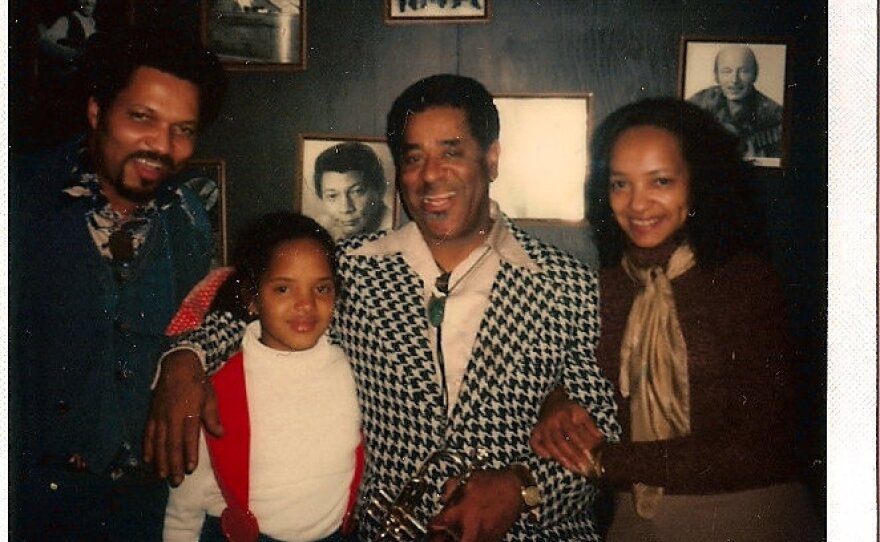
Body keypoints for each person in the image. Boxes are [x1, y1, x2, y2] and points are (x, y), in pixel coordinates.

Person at [146, 74, 620, 541]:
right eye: (414, 157)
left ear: (491, 159)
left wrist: (524, 491)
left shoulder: (567, 283)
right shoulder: (350, 267)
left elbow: (602, 437)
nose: (431, 174)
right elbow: (249, 311)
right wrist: (187, 357)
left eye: (451, 152)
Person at [529, 97, 819, 540]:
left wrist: (609, 461)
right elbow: (578, 378)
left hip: (746, 516)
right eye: (620, 184)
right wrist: (556, 404)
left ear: (697, 184)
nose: (638, 204)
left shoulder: (743, 281)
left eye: (660, 181)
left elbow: (761, 444)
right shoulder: (606, 284)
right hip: (635, 522)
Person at [12, 27, 227, 541]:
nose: (161, 146)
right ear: (96, 112)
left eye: (183, 129)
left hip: (142, 513)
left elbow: (208, 312)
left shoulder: (188, 217)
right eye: (141, 118)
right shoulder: (19, 198)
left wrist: (186, 356)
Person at [163, 212, 362, 542]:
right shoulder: (219, 381)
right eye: (283, 289)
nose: (306, 305)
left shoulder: (351, 365)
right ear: (251, 299)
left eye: (321, 288)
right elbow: (184, 507)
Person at [688, 45, 783, 160]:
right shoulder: (697, 104)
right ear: (716, 75)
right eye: (726, 71)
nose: (734, 80)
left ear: (755, 74)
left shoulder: (775, 115)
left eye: (744, 71)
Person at [313, 141, 390, 240]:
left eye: (356, 192)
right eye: (332, 196)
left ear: (379, 189)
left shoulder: (397, 229)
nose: (346, 208)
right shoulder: (318, 231)